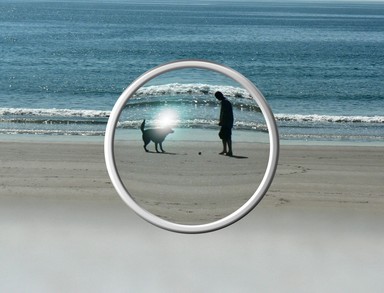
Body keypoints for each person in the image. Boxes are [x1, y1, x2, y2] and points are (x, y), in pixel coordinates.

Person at [215, 91, 234, 156]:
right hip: (229, 121)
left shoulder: (224, 102)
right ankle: (225, 150)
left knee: (227, 136)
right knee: (223, 135)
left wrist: (221, 121)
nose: (217, 99)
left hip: (227, 122)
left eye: (217, 97)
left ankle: (230, 151)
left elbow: (224, 113)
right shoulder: (226, 101)